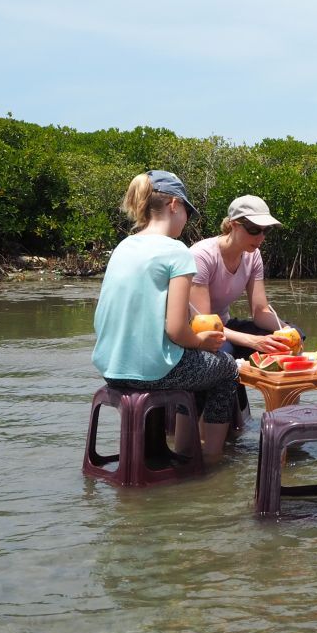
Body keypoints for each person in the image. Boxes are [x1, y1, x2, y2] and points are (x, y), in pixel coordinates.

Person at [92, 170, 239, 462]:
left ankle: (177, 451)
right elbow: (175, 329)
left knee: (196, 367)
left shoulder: (123, 247)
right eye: (187, 211)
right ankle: (208, 459)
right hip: (152, 374)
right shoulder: (177, 252)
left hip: (110, 369)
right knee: (226, 368)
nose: (186, 220)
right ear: (174, 204)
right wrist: (201, 341)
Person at [188, 195, 301, 361]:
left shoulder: (254, 256)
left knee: (291, 336)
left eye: (266, 230)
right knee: (224, 352)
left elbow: (260, 311)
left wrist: (287, 330)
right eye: (254, 229)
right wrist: (254, 341)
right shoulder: (202, 256)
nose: (261, 237)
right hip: (199, 331)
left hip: (225, 325)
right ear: (234, 224)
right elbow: (204, 324)